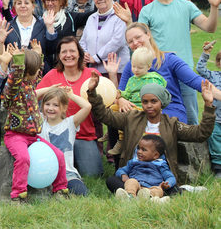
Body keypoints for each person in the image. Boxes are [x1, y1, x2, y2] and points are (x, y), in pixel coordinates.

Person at [115, 0, 221, 124]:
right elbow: (138, 36)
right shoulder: (148, 10)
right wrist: (129, 21)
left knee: (190, 119)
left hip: (180, 68)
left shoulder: (186, 6)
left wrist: (214, 8)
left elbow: (209, 27)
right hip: (154, 68)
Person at [86, 72, 215, 195]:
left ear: (161, 103)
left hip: (159, 176)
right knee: (112, 181)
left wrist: (208, 104)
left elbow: (201, 133)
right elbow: (105, 116)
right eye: (145, 102)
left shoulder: (172, 124)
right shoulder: (131, 118)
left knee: (170, 187)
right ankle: (144, 193)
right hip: (134, 175)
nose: (149, 105)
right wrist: (92, 93)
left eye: (154, 101)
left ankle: (146, 193)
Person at [112, 22, 221, 124]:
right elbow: (121, 93)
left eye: (138, 37)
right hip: (141, 111)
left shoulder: (169, 60)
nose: (135, 43)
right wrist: (121, 99)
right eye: (130, 41)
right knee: (116, 117)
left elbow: (197, 82)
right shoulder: (131, 66)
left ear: (148, 35)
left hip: (170, 110)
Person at [2, 44, 68, 202]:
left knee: (58, 155)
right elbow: (15, 78)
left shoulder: (30, 85)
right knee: (24, 158)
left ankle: (60, 189)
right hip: (15, 136)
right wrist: (17, 60)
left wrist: (39, 55)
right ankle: (18, 195)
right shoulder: (14, 89)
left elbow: (37, 75)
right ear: (28, 70)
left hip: (33, 137)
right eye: (37, 69)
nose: (40, 73)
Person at [37, 36, 103, 176]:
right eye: (64, 52)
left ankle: (76, 161)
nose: (68, 55)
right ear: (59, 56)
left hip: (83, 135)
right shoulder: (52, 76)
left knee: (93, 174)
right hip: (57, 135)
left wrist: (120, 99)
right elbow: (31, 97)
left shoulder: (92, 75)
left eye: (72, 51)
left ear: (79, 53)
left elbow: (109, 96)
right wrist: (49, 89)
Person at [109, 47, 167, 155]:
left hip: (142, 108)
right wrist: (120, 94)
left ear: (148, 66)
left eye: (139, 67)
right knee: (113, 109)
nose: (135, 70)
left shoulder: (153, 79)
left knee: (125, 115)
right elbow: (128, 93)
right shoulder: (132, 80)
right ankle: (111, 132)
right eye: (133, 66)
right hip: (131, 105)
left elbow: (160, 93)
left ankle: (121, 140)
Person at [38, 87, 91, 196]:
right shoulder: (39, 120)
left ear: (64, 108)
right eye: (47, 104)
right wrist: (49, 89)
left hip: (67, 173)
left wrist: (71, 95)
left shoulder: (70, 123)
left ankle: (64, 192)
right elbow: (30, 96)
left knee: (82, 193)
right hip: (43, 172)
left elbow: (87, 106)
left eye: (55, 105)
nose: (50, 108)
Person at [79, 0, 129, 76]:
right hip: (94, 71)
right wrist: (85, 54)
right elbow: (83, 41)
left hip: (116, 71)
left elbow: (118, 41)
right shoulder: (91, 18)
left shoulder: (120, 15)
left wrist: (96, 58)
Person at [40, 0, 94, 70]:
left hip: (68, 65)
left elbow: (92, 14)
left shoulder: (71, 18)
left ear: (61, 1)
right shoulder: (40, 21)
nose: (50, 3)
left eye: (53, 0)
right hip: (47, 67)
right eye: (47, 0)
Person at [2, 0, 57, 72]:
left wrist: (49, 28)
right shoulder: (7, 26)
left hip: (39, 72)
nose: (23, 6)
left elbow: (52, 50)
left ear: (33, 6)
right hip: (14, 73)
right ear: (14, 7)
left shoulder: (43, 24)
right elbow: (0, 50)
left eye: (26, 3)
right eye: (19, 3)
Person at [114, 135, 175, 203]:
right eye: (138, 148)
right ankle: (129, 197)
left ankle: (151, 199)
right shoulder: (134, 162)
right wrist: (123, 175)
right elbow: (121, 170)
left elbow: (170, 177)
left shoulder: (160, 165)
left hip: (151, 188)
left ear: (155, 155)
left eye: (144, 150)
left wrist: (167, 184)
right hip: (137, 187)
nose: (139, 151)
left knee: (159, 190)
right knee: (131, 181)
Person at [196, 41, 221, 178]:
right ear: (218, 63)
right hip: (216, 118)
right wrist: (206, 53)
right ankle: (218, 167)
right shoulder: (214, 75)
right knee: (216, 141)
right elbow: (200, 69)